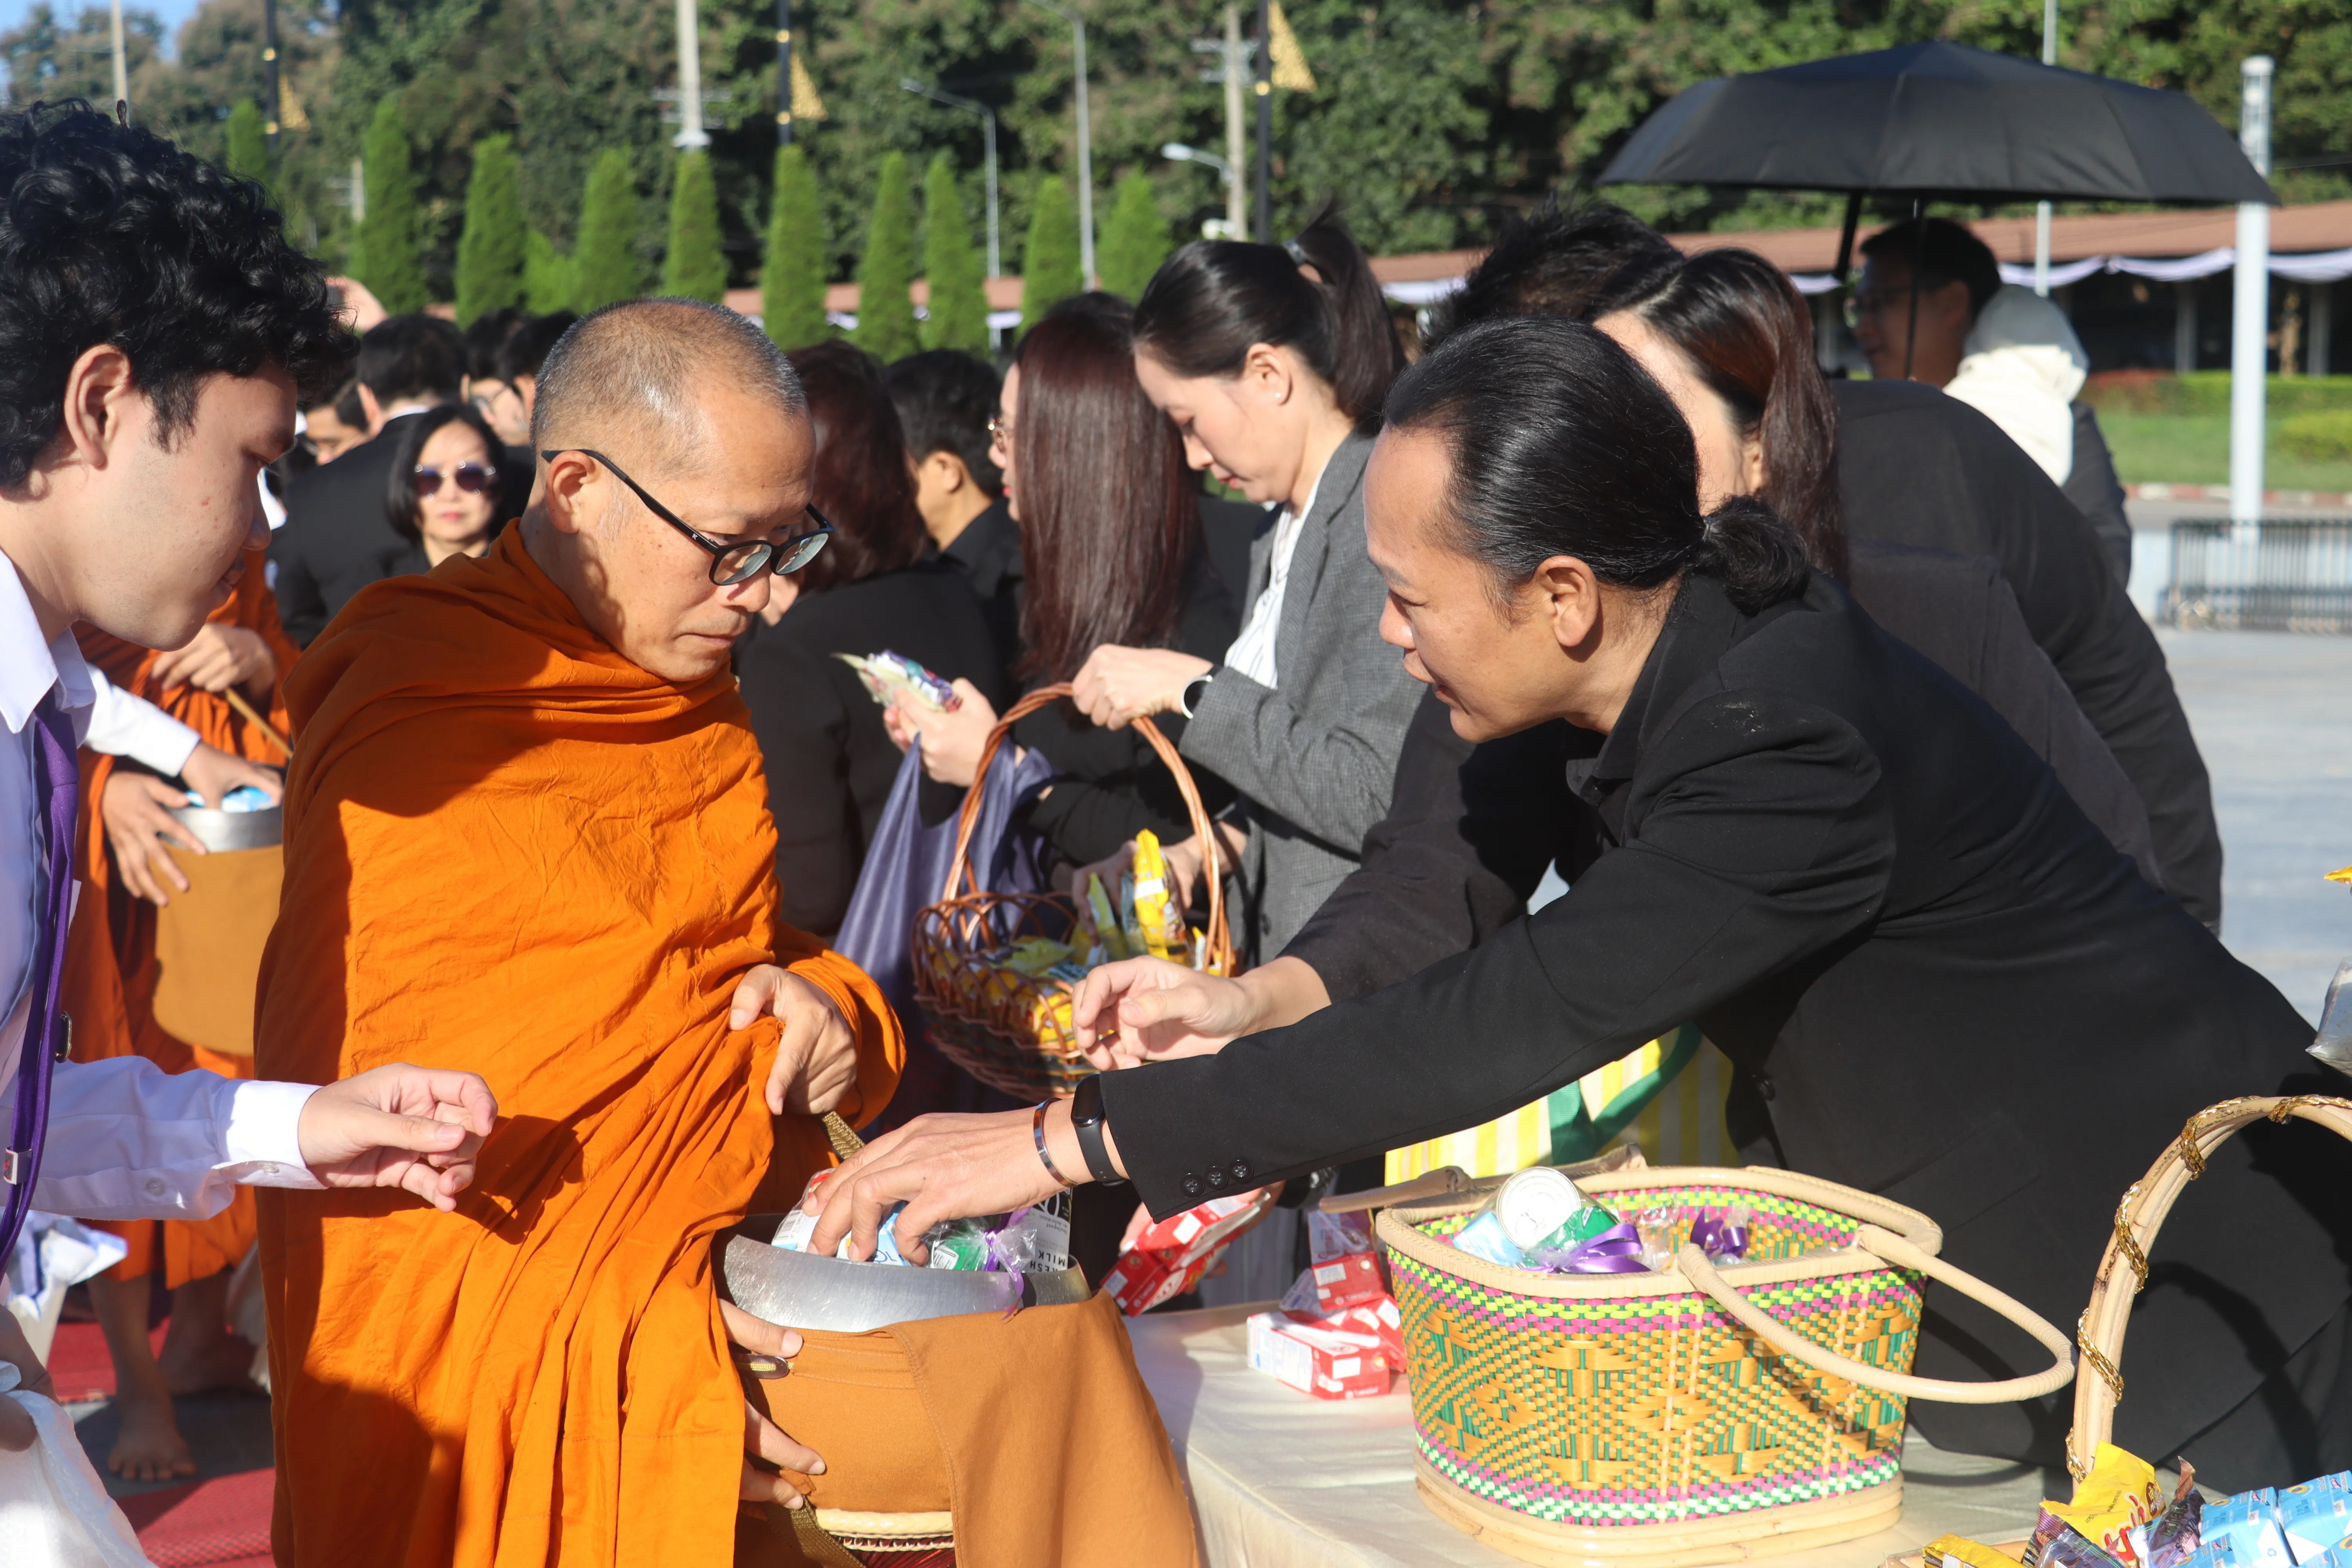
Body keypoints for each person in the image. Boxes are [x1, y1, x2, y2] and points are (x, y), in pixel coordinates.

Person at [809, 315, 2351, 1492]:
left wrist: (1060, 1138)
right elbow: (1439, 887)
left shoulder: (1786, 733)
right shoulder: (1610, 662)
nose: (1395, 643)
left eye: (1412, 602)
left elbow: (1516, 1012)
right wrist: (1252, 1001)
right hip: (2002, 1291)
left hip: (2204, 1284)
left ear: (1559, 591)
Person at [0, 100, 498, 1485]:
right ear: (101, 405)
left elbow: (17, 1125)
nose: (250, 529)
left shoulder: (39, 705)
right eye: (251, 466)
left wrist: (299, 1125)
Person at [1450, 203, 2222, 927]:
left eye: (1633, 419)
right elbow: (1446, 849)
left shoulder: (1938, 511)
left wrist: (2180, 946)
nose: (1601, 467)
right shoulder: (1542, 574)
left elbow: (2125, 714)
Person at [1065, 222, 1425, 963]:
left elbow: (1373, 794)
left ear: (1267, 374)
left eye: (1189, 423)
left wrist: (1192, 686)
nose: (1194, 457)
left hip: (1363, 976)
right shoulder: (1286, 525)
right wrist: (1204, 852)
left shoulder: (1377, 513)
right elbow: (1295, 772)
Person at [65, 543, 299, 1482]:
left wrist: (262, 658)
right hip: (105, 879)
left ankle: (201, 1335)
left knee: (237, 1083)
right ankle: (139, 1386)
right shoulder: (73, 527)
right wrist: (100, 787)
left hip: (220, 863)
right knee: (105, 1100)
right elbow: (47, 694)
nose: (250, 498)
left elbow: (291, 683)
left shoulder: (239, 542)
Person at [891, 301, 1244, 871]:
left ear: (1076, 445)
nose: (995, 452)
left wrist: (1006, 772)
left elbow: (1201, 842)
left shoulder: (1191, 613)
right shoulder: (1038, 589)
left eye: (1009, 430)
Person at [735, 341, 1007, 937]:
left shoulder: (791, 656)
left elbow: (811, 895)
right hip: (981, 936)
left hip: (871, 977)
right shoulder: (957, 591)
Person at [1852, 217, 2135, 588]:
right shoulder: (1854, 422)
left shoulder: (2047, 425)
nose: (1862, 327)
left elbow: (2104, 572)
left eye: (1879, 303)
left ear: (1953, 303)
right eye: (1857, 307)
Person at [267, 312, 466, 644]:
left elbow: (296, 617)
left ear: (368, 398)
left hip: (365, 682)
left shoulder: (312, 492)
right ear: (464, 388)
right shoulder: (525, 472)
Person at [886, 348, 1019, 672]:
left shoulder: (1014, 585)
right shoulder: (919, 561)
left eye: (889, 461)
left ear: (947, 470)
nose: (877, 479)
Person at [382, 402, 506, 570]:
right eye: (429, 479)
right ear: (406, 486)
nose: (450, 495)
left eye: (470, 476)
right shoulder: (377, 587)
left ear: (496, 482)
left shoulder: (529, 585)